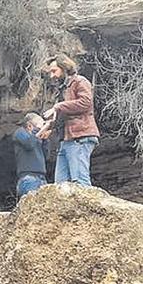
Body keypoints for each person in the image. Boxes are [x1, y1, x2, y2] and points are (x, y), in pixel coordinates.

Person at [41, 53, 100, 186]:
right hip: (66, 140)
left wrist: (58, 106)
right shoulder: (63, 89)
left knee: (80, 181)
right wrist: (50, 127)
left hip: (80, 137)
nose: (52, 76)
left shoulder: (80, 81)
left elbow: (85, 103)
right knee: (60, 186)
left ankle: (86, 200)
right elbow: (64, 114)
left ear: (64, 67)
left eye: (54, 71)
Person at [13, 112, 49, 199]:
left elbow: (45, 156)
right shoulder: (20, 132)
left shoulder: (36, 138)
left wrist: (45, 140)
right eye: (39, 125)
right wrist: (38, 132)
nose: (42, 128)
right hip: (29, 178)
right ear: (29, 126)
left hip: (42, 178)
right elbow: (29, 144)